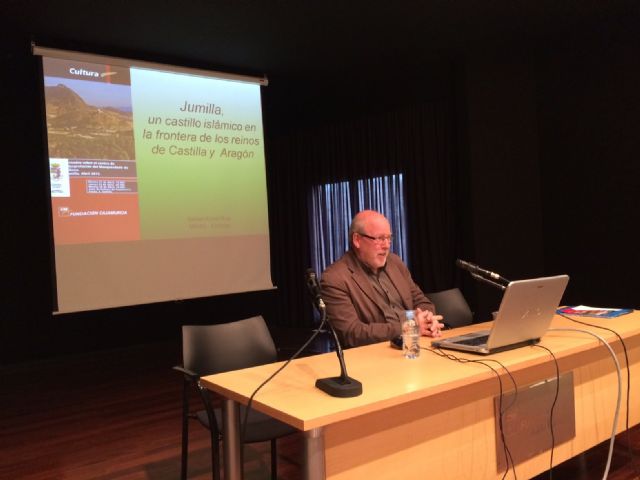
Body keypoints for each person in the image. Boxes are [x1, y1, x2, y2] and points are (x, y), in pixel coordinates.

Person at [320, 210, 444, 347]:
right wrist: (410, 326)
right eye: (379, 238)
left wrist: (428, 319)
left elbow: (421, 301)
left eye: (389, 238)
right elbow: (351, 333)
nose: (386, 246)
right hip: (376, 357)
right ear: (357, 240)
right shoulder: (335, 278)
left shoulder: (395, 262)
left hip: (418, 345)